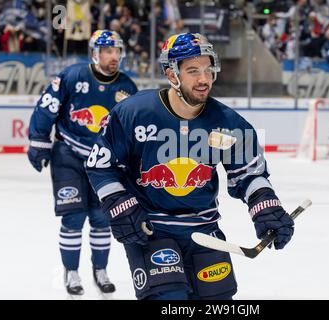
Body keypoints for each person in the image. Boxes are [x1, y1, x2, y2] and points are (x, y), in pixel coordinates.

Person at [85, 33, 295, 300]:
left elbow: (249, 173)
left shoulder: (229, 123)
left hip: (205, 230)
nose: (204, 79)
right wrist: (118, 203)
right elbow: (101, 165)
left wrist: (266, 206)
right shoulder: (133, 113)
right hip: (152, 230)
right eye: (193, 71)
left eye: (208, 70)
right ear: (172, 75)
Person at [27, 30, 138, 296]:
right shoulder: (73, 76)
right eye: (108, 51)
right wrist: (38, 140)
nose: (114, 56)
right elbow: (47, 106)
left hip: (103, 163)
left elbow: (134, 129)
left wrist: (133, 162)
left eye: (117, 51)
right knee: (73, 217)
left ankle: (100, 270)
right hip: (68, 155)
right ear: (95, 53)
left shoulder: (127, 87)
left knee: (101, 218)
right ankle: (71, 271)